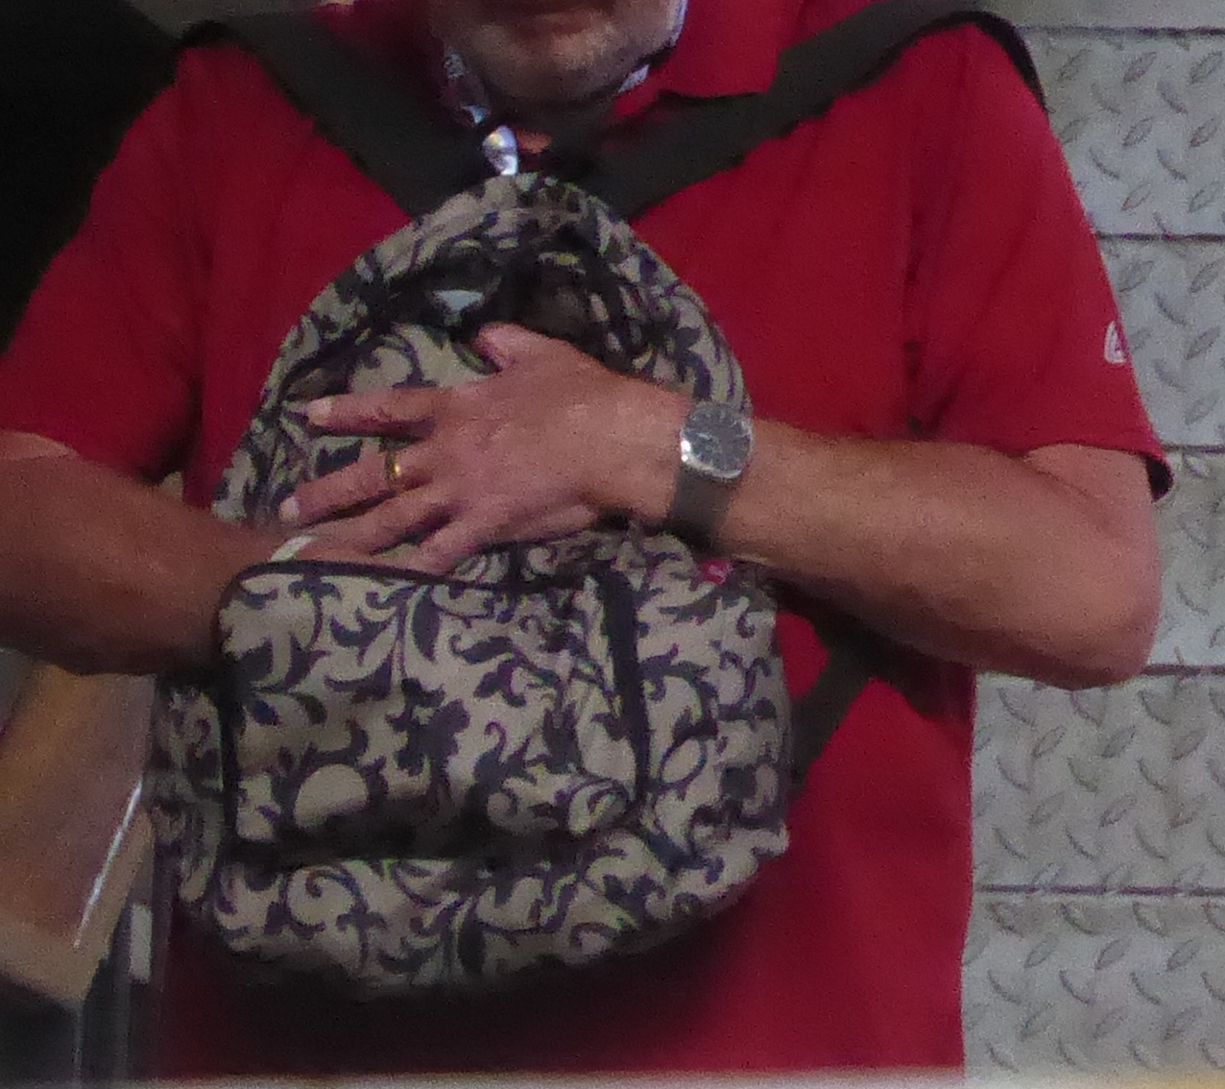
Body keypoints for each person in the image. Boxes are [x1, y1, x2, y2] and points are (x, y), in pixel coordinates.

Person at [0, 0, 1167, 1077]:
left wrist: (656, 449)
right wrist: (309, 603)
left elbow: (1091, 589)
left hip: (780, 1065)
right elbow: (23, 501)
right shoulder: (249, 101)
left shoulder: (921, 86)